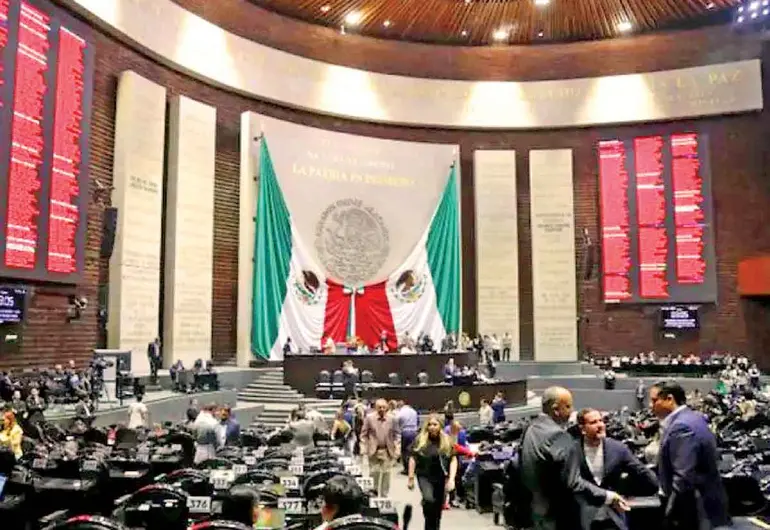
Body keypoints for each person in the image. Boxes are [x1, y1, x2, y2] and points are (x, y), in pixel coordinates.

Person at [520, 387, 628, 530]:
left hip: (536, 512)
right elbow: (574, 482)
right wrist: (608, 496)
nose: (572, 411)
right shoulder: (559, 436)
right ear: (556, 409)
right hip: (558, 517)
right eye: (568, 406)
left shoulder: (530, 429)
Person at [650, 381, 731, 529]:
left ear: (669, 399)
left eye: (654, 400)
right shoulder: (693, 418)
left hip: (695, 510)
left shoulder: (681, 427)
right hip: (706, 502)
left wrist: (669, 514)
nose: (651, 405)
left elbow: (683, 477)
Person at [576, 408, 659, 529]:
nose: (600, 425)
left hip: (613, 516)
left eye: (601, 421)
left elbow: (644, 475)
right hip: (581, 516)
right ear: (582, 429)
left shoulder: (617, 448)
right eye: (593, 422)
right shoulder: (572, 450)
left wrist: (628, 489)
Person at [407, 415, 458, 530]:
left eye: (435, 424)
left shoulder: (446, 440)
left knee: (437, 507)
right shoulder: (420, 440)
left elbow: (453, 459)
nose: (432, 427)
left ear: (440, 426)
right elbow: (413, 458)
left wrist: (452, 479)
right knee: (429, 499)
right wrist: (410, 478)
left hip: (440, 477)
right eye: (429, 425)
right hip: (424, 476)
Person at [360, 398, 400, 497]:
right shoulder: (369, 418)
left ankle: (384, 495)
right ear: (375, 408)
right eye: (379, 407)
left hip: (387, 450)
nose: (382, 409)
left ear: (387, 408)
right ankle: (373, 493)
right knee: (374, 472)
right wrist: (363, 448)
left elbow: (397, 435)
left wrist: (397, 448)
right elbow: (363, 435)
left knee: (386, 473)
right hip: (373, 450)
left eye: (383, 407)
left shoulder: (392, 419)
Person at [396, 399, 419, 474]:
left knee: (405, 451)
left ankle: (406, 469)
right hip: (414, 432)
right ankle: (414, 467)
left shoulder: (401, 412)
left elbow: (397, 421)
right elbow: (418, 421)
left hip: (405, 432)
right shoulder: (414, 411)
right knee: (413, 450)